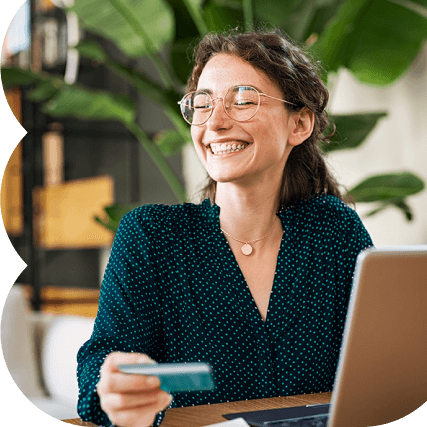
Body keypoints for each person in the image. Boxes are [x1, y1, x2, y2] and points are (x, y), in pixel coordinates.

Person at [77, 29, 373, 427]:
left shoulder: (334, 232)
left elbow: (381, 366)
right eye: (203, 104)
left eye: (244, 100)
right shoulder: (152, 237)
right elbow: (99, 365)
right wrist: (110, 384)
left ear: (299, 124)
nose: (215, 123)